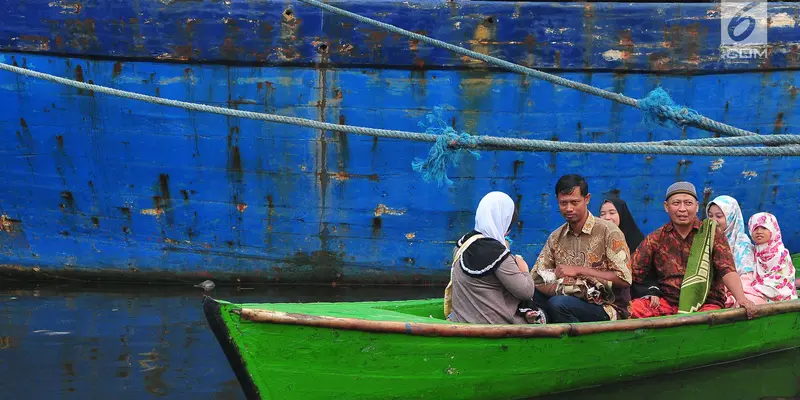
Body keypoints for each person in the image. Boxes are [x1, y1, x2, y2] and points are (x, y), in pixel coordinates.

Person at [629, 182, 757, 319]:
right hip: (668, 302)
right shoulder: (655, 238)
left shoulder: (712, 234)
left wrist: (741, 298)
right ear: (666, 207)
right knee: (631, 310)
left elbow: (727, 269)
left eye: (688, 203)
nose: (682, 209)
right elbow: (633, 270)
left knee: (707, 319)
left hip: (706, 303)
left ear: (696, 206)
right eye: (676, 203)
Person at [531, 174, 632, 323]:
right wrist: (559, 283)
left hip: (607, 306)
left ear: (587, 199)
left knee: (558, 304)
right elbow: (536, 276)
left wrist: (579, 270)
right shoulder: (556, 237)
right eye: (563, 203)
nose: (569, 208)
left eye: (574, 202)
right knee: (530, 293)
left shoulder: (609, 231)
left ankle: (580, 345)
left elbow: (624, 279)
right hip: (569, 299)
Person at [445, 191, 535, 324]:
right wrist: (524, 270)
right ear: (504, 223)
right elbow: (526, 292)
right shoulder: (498, 254)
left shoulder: (463, 244)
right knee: (543, 309)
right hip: (493, 325)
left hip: (461, 322)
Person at [705, 195, 763, 306]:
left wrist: (731, 291)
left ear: (731, 218)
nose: (713, 221)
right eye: (710, 216)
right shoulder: (706, 240)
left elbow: (746, 279)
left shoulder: (741, 245)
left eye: (719, 216)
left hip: (739, 290)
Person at [599, 198, 657, 300]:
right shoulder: (596, 240)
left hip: (633, 293)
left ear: (622, 214)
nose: (607, 217)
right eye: (602, 214)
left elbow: (647, 275)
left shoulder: (636, 241)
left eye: (612, 213)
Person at [748, 212, 797, 303]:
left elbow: (780, 282)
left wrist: (755, 289)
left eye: (764, 228)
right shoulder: (751, 252)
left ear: (773, 229)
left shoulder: (781, 254)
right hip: (756, 293)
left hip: (781, 298)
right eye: (755, 228)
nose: (759, 232)